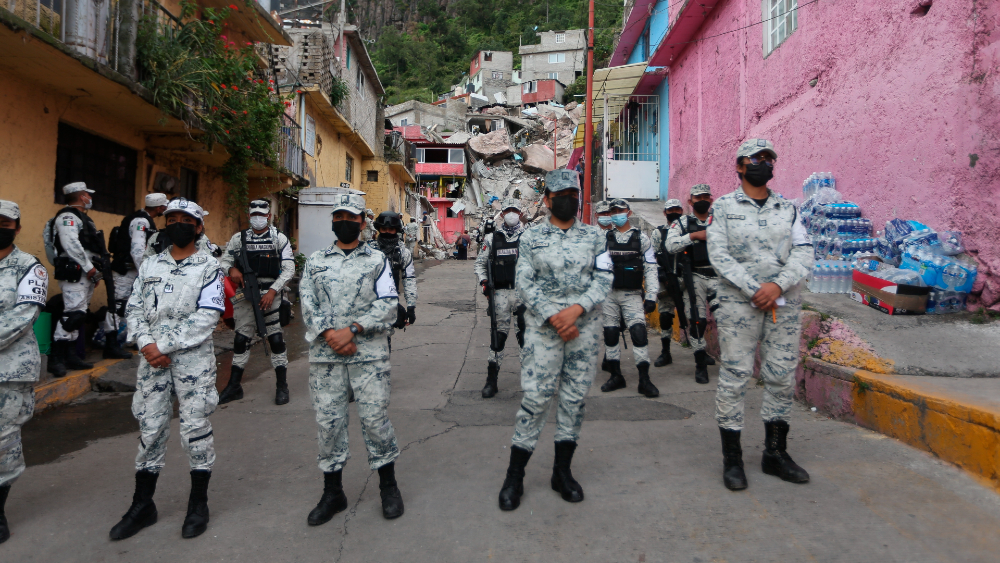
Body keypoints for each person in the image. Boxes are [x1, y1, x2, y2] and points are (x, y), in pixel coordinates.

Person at [496, 169, 613, 511]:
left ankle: (562, 472)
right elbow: (524, 281)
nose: (568, 201)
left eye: (573, 195)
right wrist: (553, 315)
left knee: (574, 400)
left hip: (583, 329)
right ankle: (514, 476)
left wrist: (575, 310)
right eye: (560, 196)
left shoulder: (595, 236)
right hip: (543, 330)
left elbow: (604, 278)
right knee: (535, 399)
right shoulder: (531, 237)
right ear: (547, 200)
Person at [110, 198, 225, 540]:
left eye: (185, 220)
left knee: (196, 430)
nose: (177, 225)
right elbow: (134, 309)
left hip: (192, 361)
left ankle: (198, 505)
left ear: (198, 227)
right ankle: (142, 505)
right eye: (171, 219)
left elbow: (208, 316)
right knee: (150, 429)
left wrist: (162, 346)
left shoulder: (210, 267)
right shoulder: (150, 264)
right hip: (152, 362)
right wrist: (146, 343)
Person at [707, 139, 813, 491]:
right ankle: (732, 459)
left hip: (783, 303)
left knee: (781, 376)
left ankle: (775, 453)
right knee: (735, 376)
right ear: (740, 166)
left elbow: (804, 251)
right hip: (738, 303)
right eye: (756, 158)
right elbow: (718, 255)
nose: (763, 163)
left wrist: (777, 286)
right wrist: (755, 289)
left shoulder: (788, 208)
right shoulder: (723, 207)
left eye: (769, 158)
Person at [299, 193, 404, 523]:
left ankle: (388, 487)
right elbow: (307, 301)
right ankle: (333, 493)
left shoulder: (377, 260)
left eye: (352, 217)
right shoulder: (316, 261)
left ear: (362, 222)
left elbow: (388, 303)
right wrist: (330, 333)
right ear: (333, 221)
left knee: (375, 421)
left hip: (368, 356)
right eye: (339, 216)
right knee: (329, 424)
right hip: (326, 356)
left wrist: (353, 330)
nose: (345, 222)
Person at [0, 201, 48, 544]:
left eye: (5, 223)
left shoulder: (30, 267)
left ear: (17, 227)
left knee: (2, 442)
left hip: (10, 370)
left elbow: (24, 315)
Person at [216, 199, 295, 406]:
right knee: (241, 339)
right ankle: (234, 386)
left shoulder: (279, 238)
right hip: (246, 295)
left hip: (272, 295)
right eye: (254, 214)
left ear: (268, 216)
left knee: (275, 339)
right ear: (249, 215)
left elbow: (289, 269)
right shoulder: (238, 238)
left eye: (262, 214)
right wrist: (231, 269)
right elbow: (225, 261)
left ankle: (282, 385)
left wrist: (272, 291)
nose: (258, 218)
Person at [598, 199, 660, 398]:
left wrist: (651, 295)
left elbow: (651, 267)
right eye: (613, 211)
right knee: (610, 334)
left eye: (620, 210)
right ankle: (616, 375)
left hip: (632, 295)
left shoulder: (642, 238)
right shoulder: (604, 238)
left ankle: (644, 379)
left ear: (629, 212)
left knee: (639, 332)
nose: (617, 214)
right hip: (609, 295)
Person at [43, 182, 102, 377]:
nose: (90, 198)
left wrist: (95, 271)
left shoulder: (82, 218)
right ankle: (56, 358)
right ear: (81, 196)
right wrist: (89, 268)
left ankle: (70, 355)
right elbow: (70, 244)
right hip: (74, 271)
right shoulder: (67, 217)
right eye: (87, 195)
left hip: (85, 271)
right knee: (73, 314)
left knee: (80, 313)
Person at [667, 184, 720, 384]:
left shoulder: (720, 219)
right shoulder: (682, 223)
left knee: (727, 320)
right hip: (695, 277)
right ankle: (700, 363)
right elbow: (670, 245)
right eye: (698, 198)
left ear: (711, 199)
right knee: (697, 321)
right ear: (690, 201)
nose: (702, 201)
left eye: (706, 197)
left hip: (719, 277)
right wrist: (693, 236)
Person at [474, 198, 526, 398]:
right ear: (502, 214)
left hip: (523, 294)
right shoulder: (491, 238)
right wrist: (484, 283)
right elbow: (480, 264)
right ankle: (491, 381)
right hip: (500, 294)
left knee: (526, 338)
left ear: (520, 213)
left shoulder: (529, 237)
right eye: (508, 210)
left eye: (515, 210)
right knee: (498, 338)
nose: (512, 213)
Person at [109, 193, 168, 355]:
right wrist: (146, 273)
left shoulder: (146, 220)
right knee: (119, 305)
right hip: (126, 271)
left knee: (135, 306)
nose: (165, 209)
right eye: (164, 206)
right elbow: (137, 250)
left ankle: (130, 339)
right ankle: (112, 344)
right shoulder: (141, 221)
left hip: (134, 270)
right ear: (159, 207)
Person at [369, 211, 417, 340]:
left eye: (391, 229)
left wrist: (411, 306)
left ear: (396, 230)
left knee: (384, 341)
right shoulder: (368, 251)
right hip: (366, 304)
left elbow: (409, 279)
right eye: (384, 229)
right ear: (379, 229)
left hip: (389, 305)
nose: (387, 232)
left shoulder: (403, 252)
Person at [650, 199, 684, 368]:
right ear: (665, 213)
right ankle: (665, 352)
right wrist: (663, 276)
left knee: (695, 315)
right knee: (665, 315)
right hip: (666, 279)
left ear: (682, 211)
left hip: (686, 279)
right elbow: (653, 257)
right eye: (670, 210)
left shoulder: (686, 231)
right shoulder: (659, 233)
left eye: (677, 209)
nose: (674, 212)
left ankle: (699, 352)